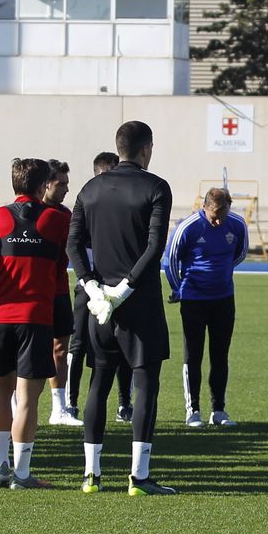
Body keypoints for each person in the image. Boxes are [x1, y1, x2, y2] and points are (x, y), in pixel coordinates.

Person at [67, 121, 177, 496]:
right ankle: (139, 476)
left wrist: (92, 286)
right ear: (146, 148)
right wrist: (125, 287)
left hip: (99, 306)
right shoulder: (156, 187)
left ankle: (91, 475)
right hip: (138, 301)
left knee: (99, 381)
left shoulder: (90, 188)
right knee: (145, 383)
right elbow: (154, 246)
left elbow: (73, 245)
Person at [0, 158, 72, 490]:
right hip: (34, 319)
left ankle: (1, 466)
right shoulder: (56, 220)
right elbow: (61, 264)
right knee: (27, 397)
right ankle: (21, 473)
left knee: (1, 389)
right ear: (42, 186)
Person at [55, 151, 131, 427]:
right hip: (87, 286)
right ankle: (72, 403)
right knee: (79, 345)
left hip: (117, 287)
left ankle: (124, 403)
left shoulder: (122, 203)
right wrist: (87, 280)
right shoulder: (87, 201)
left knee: (123, 345)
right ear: (98, 173)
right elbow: (74, 245)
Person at [164, 186, 248, 428]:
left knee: (220, 355)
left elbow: (240, 253)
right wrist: (179, 288)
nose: (218, 220)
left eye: (222, 214)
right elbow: (170, 260)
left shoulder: (236, 225)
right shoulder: (188, 227)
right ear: (204, 208)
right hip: (194, 300)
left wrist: (220, 273)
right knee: (193, 355)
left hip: (224, 298)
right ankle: (193, 410)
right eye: (214, 216)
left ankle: (218, 410)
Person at [43, 159, 77, 424]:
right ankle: (16, 403)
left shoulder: (66, 215)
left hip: (59, 291)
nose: (66, 188)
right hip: (31, 294)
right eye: (61, 183)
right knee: (25, 350)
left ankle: (59, 408)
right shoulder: (27, 212)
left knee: (60, 349)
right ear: (46, 184)